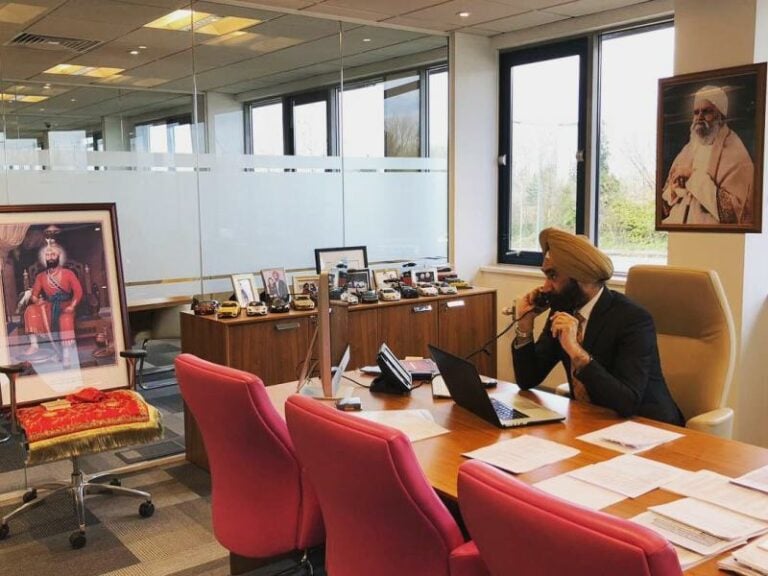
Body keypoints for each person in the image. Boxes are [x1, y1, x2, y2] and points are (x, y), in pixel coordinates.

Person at [511, 228, 684, 426]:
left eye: (553, 276)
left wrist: (577, 353)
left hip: (648, 425)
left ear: (582, 277)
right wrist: (525, 326)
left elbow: (627, 402)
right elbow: (527, 379)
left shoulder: (633, 319)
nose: (546, 287)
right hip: (592, 420)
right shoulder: (563, 310)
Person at [661, 85, 754, 225]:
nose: (699, 117)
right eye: (696, 112)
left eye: (706, 112)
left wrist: (692, 176)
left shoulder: (736, 153)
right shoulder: (688, 150)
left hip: (711, 234)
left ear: (720, 117)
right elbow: (664, 205)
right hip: (677, 230)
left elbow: (733, 213)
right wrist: (673, 190)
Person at [22, 241, 84, 368]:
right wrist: (36, 300)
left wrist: (72, 306)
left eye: (53, 254)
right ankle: (34, 345)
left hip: (66, 305)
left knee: (65, 319)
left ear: (58, 256)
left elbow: (78, 292)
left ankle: (66, 354)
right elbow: (34, 295)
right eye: (47, 255)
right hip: (49, 305)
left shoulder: (68, 273)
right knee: (30, 310)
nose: (50, 257)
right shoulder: (41, 276)